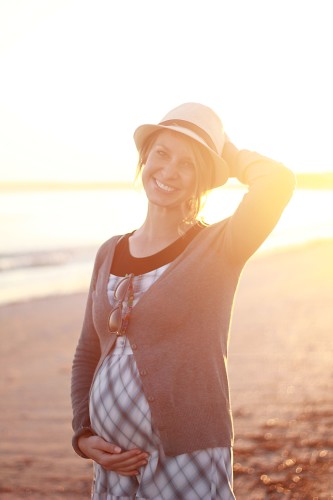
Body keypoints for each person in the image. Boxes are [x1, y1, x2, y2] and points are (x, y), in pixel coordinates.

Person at [71, 102, 295, 499]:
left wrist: (226, 152)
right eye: (161, 153)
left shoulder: (220, 247)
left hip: (188, 455)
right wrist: (83, 434)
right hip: (112, 461)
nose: (170, 171)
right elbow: (89, 350)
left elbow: (276, 182)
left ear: (204, 179)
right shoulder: (109, 251)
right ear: (144, 159)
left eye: (189, 163)